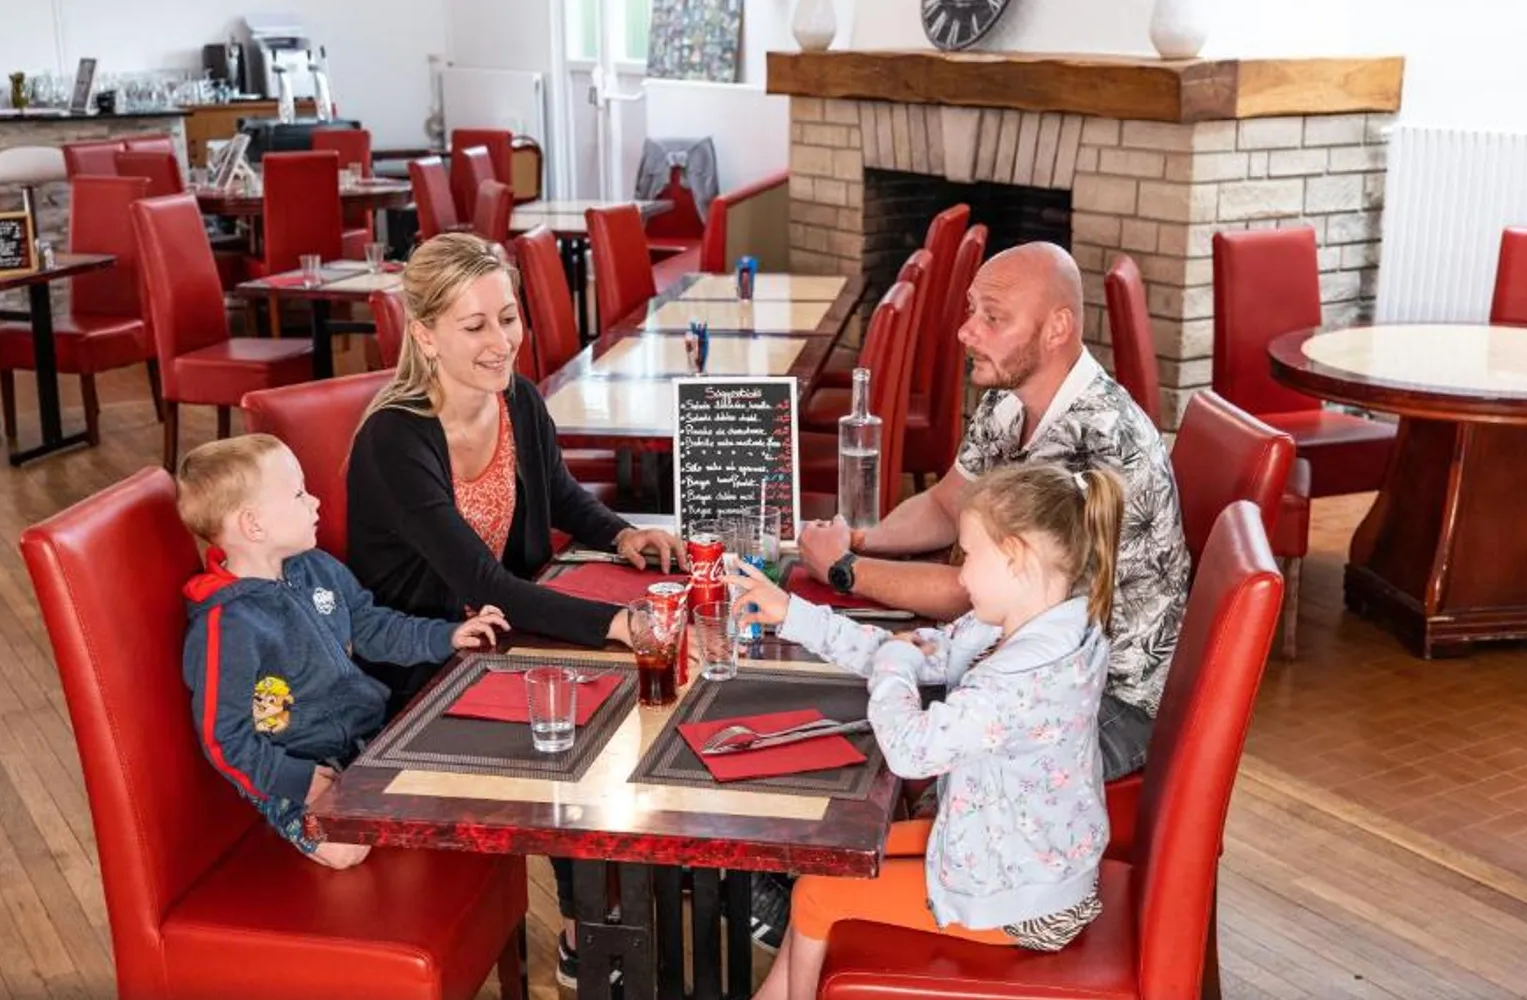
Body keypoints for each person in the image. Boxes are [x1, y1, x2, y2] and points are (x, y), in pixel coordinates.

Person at [344, 232, 678, 986]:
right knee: (571, 717)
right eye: (475, 326)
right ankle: (587, 926)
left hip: (503, 640)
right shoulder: (394, 440)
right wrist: (616, 624)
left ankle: (636, 881)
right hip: (422, 667)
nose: (502, 343)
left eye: (508, 318)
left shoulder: (518, 400)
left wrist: (622, 534)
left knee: (621, 698)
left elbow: (558, 493)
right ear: (425, 335)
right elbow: (482, 578)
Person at [728, 462, 1124, 1000]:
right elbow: (910, 654)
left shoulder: (1026, 677)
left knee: (817, 893)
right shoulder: (1032, 624)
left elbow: (910, 749)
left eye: (969, 555)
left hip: (1027, 902)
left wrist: (895, 664)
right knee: (831, 858)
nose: (959, 577)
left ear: (1014, 556)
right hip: (1015, 853)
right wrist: (793, 615)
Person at [794, 242, 1187, 782]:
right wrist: (860, 540)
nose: (966, 332)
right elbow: (944, 503)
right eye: (971, 310)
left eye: (993, 317)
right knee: (851, 714)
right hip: (1017, 667)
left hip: (1106, 701)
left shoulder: (1099, 445)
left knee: (886, 754)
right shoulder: (1009, 400)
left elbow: (972, 594)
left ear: (1057, 328)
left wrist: (844, 570)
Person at [176, 434, 508, 870]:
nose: (315, 502)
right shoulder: (227, 625)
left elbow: (372, 625)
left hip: (367, 733)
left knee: (449, 789)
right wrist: (297, 781)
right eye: (299, 494)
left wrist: (448, 636)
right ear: (254, 526)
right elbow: (224, 738)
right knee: (346, 850)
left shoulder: (317, 567)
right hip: (299, 762)